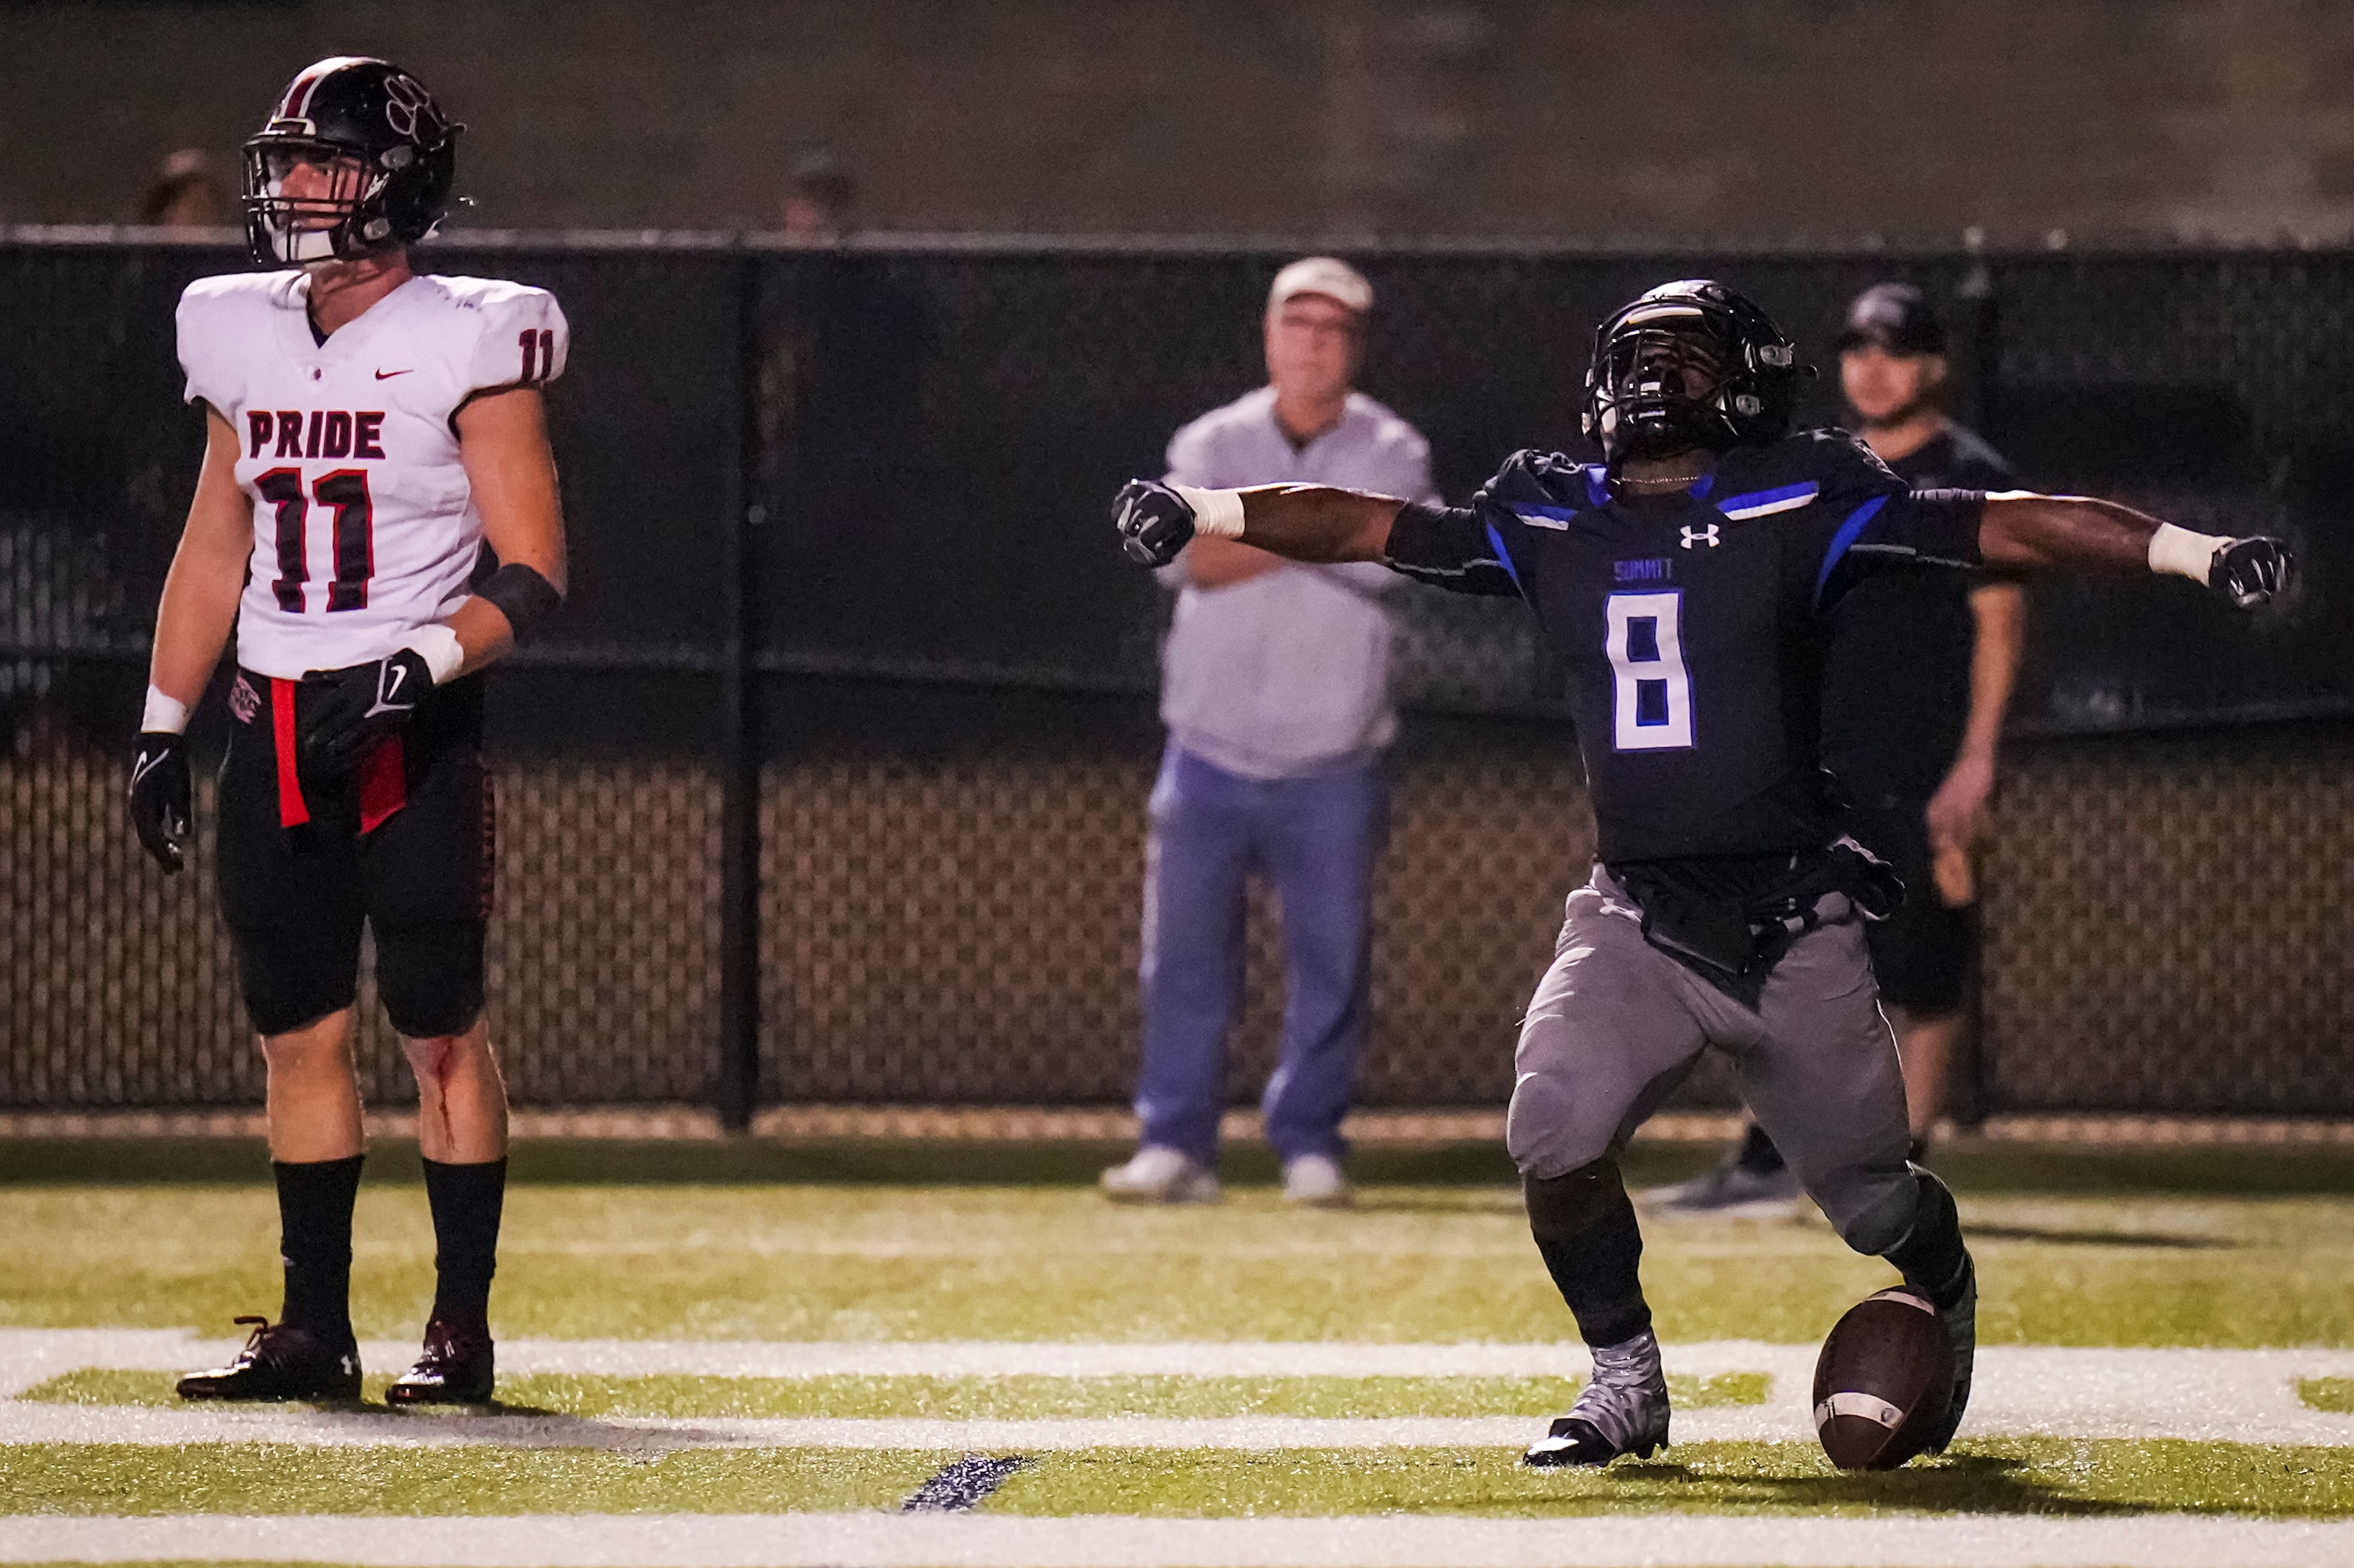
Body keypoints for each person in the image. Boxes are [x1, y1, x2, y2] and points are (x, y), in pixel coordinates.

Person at [1111, 278, 2289, 1466]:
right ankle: (1623, 1375)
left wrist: (2188, 552)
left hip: (1793, 920)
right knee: (1552, 1124)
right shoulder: (1557, 511)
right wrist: (1206, 505)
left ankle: (1941, 1279)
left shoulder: (1798, 497)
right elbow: (1367, 523)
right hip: (1635, 911)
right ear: (1730, 382)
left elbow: (2003, 523)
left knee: (1873, 1201)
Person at [125, 57, 570, 1407]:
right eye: (290, 161)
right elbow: (216, 540)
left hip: (408, 724)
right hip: (268, 711)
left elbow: (534, 567)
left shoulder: (471, 332)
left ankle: (458, 1327)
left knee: (436, 1030)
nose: (295, 188)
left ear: (398, 185)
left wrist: (417, 667)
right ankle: (315, 1325)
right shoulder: (235, 323)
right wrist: (160, 721)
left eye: (326, 163)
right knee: (297, 1032)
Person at [1654, 281, 2022, 1211]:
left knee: (1919, 962)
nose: (1871, 367)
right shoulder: (1816, 467)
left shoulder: (1963, 471)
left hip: (1918, 762)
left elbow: (1998, 624)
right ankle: (1765, 1164)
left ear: (1933, 365)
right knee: (1781, 963)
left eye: (1893, 349)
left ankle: (1896, 1171)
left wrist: (1975, 760)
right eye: (1857, 348)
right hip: (1811, 760)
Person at [1099, 257, 1436, 1208]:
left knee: (1331, 965)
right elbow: (1185, 561)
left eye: (1333, 329)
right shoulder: (1212, 438)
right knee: (1181, 960)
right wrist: (1313, 532)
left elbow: (1379, 552)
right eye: (1298, 324)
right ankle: (1174, 1143)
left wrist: (1241, 527)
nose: (1312, 344)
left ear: (1355, 346)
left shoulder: (1393, 450)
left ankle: (1308, 1142)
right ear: (1268, 334)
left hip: (1335, 757)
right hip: (1203, 748)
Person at [140, 149, 231, 230]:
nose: (204, 216)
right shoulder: (140, 247)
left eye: (211, 207)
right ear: (167, 210)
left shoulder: (231, 247)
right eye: (196, 206)